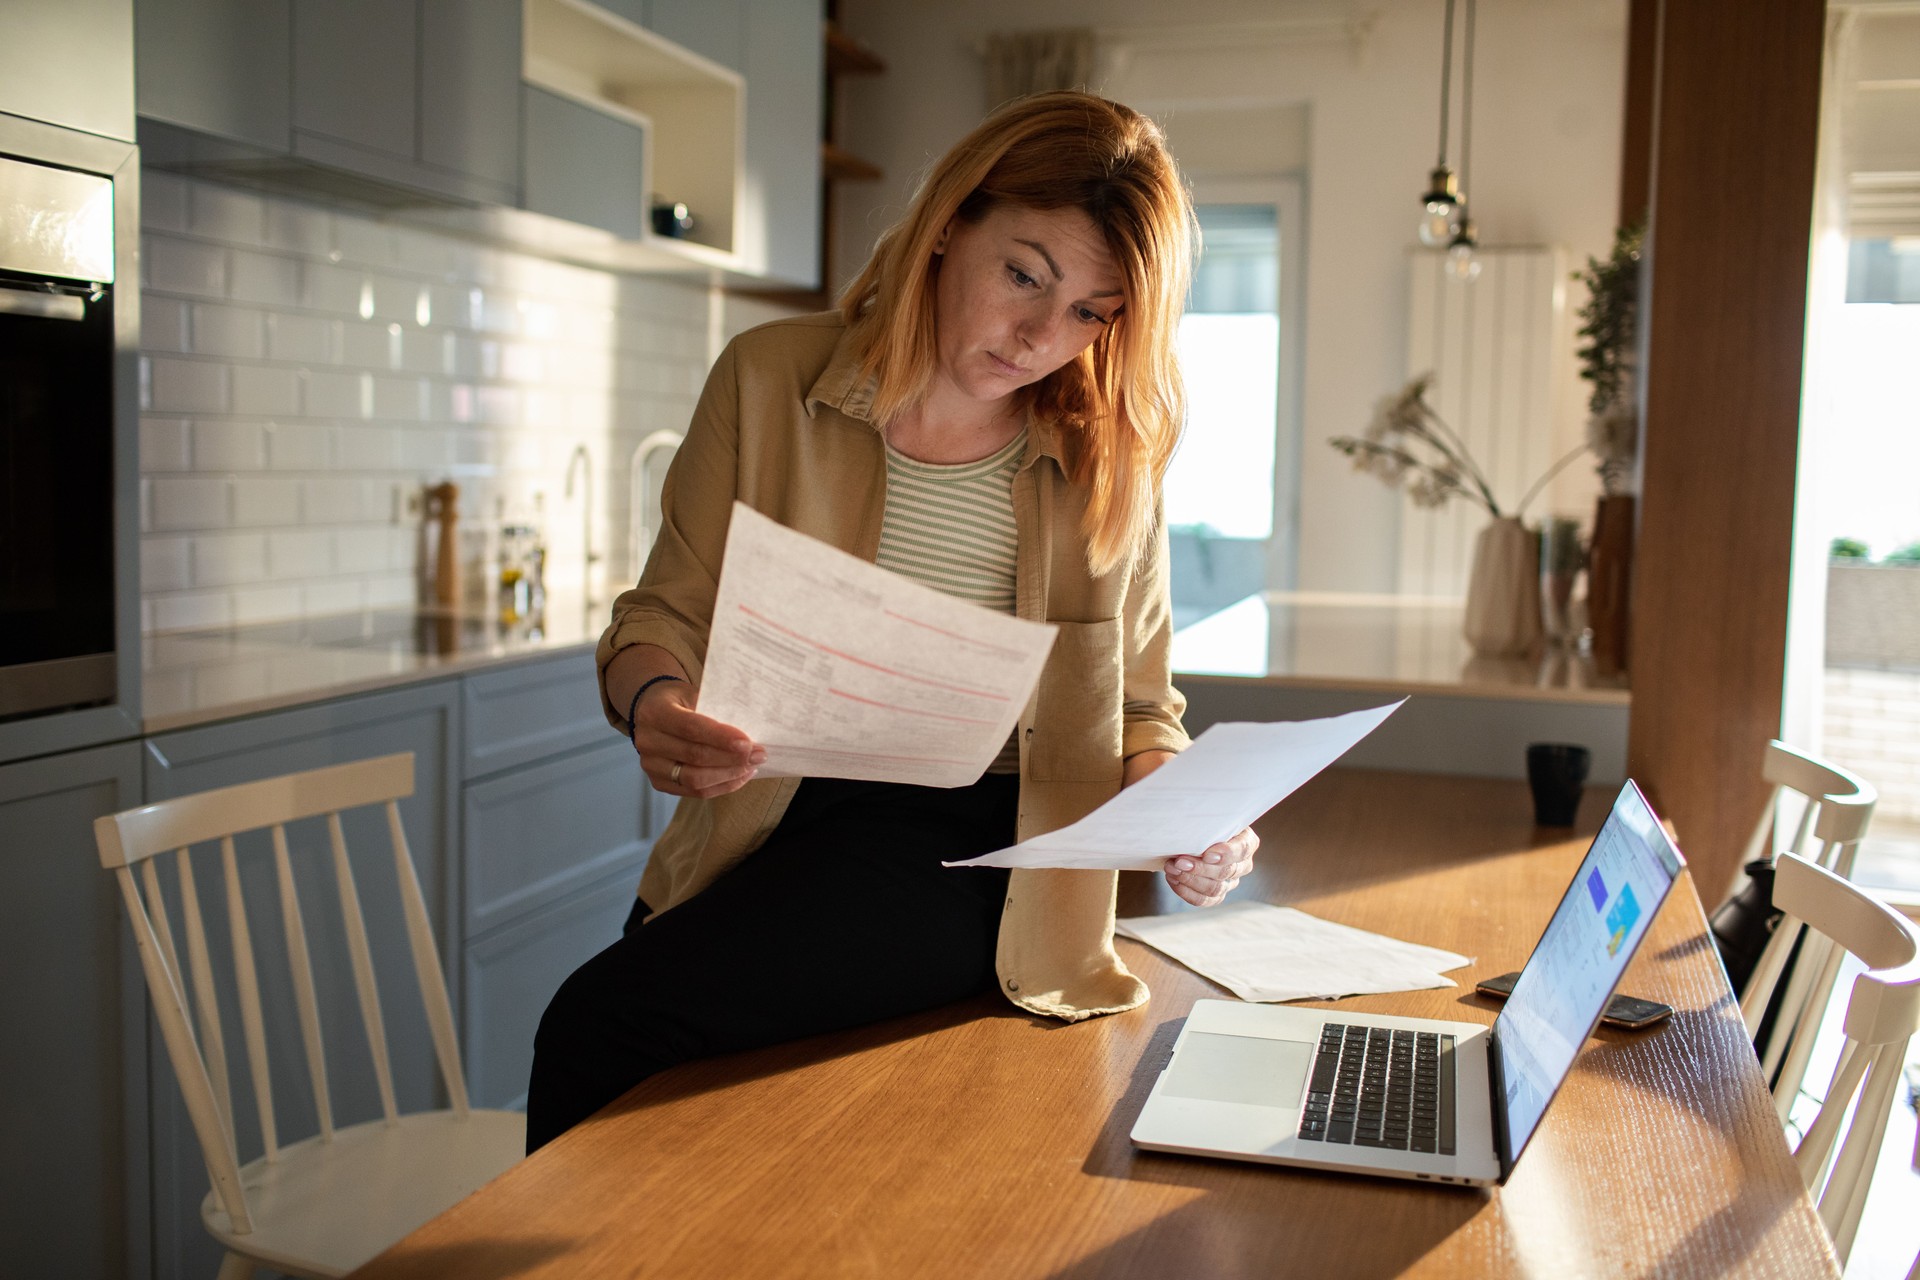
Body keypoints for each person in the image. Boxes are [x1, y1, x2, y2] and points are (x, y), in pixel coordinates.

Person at [526, 90, 1260, 1153]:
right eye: (1024, 276)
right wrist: (655, 702)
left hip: (981, 850)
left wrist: (1189, 814)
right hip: (760, 818)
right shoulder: (769, 377)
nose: (1041, 338)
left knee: (600, 1023)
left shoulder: (1114, 457)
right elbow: (666, 614)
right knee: (638, 1051)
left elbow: (1142, 711)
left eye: (1092, 312)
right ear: (950, 222)